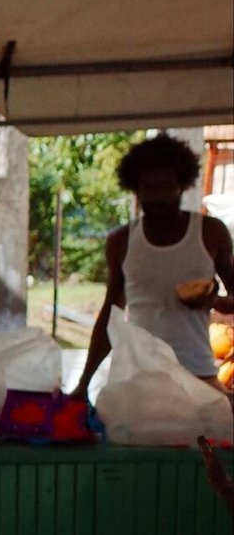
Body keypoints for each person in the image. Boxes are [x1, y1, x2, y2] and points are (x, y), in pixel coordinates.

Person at [72, 133, 234, 397]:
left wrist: (213, 302)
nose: (159, 196)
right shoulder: (121, 241)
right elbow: (109, 316)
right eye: (149, 187)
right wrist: (83, 383)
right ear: (136, 189)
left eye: (167, 186)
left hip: (196, 373)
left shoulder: (210, 233)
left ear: (182, 185)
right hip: (139, 375)